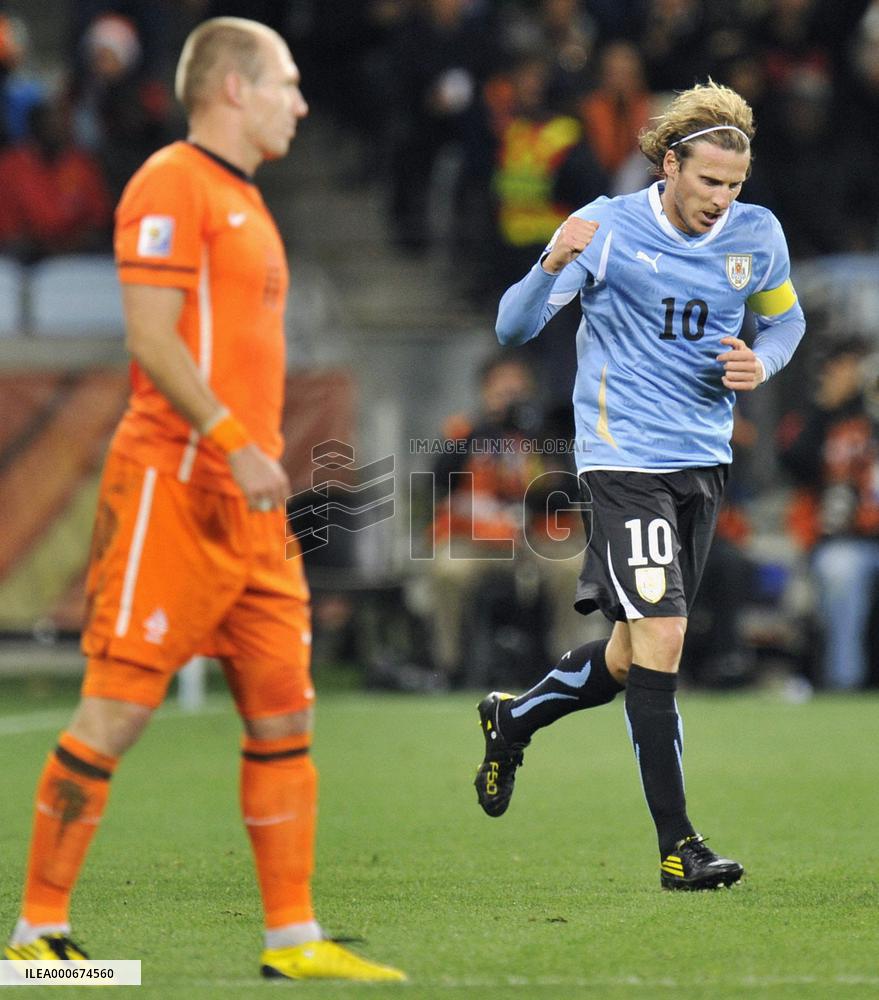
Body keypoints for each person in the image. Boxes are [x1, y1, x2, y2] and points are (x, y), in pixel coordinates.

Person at [3, 18, 405, 983]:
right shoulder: (168, 184)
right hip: (175, 490)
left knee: (283, 719)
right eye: (288, 84)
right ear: (233, 88)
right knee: (115, 713)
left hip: (254, 514)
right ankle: (37, 938)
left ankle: (293, 939)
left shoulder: (248, 202)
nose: (302, 104)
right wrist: (231, 440)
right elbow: (150, 339)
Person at [472, 81, 806, 890]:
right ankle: (677, 848)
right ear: (668, 165)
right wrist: (551, 259)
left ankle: (510, 720)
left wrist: (759, 361)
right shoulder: (606, 228)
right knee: (663, 641)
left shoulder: (755, 235)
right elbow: (512, 328)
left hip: (702, 463)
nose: (721, 201)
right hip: (623, 465)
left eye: (733, 185)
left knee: (627, 657)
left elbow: (785, 320)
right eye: (707, 183)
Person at [778, 336, 879, 690]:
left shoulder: (870, 413)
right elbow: (792, 463)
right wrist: (826, 408)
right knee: (842, 572)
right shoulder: (818, 414)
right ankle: (844, 683)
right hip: (842, 541)